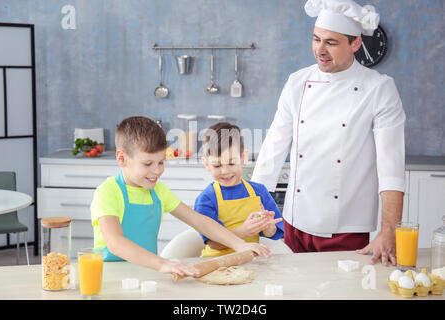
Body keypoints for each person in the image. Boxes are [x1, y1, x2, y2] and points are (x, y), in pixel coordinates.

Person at [251, 0, 405, 267]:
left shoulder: (379, 89)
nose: (319, 50)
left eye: (331, 43)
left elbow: (391, 167)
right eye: (316, 39)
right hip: (294, 223)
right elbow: (272, 150)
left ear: (355, 44)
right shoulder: (297, 82)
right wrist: (253, 209)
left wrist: (389, 230)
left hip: (345, 228)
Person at [90, 116, 270, 278]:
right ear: (122, 159)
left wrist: (240, 244)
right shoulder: (108, 192)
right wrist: (162, 263)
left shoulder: (158, 191)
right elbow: (115, 243)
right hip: (108, 275)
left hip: (146, 273)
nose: (157, 170)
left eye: (161, 162)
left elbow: (199, 221)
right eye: (147, 163)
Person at [195, 122, 284, 257]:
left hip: (250, 261)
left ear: (243, 157)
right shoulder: (206, 199)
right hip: (217, 263)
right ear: (207, 164)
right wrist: (244, 231)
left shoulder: (259, 191)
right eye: (217, 165)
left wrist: (268, 227)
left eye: (231, 163)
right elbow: (213, 243)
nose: (225, 171)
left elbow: (273, 234)